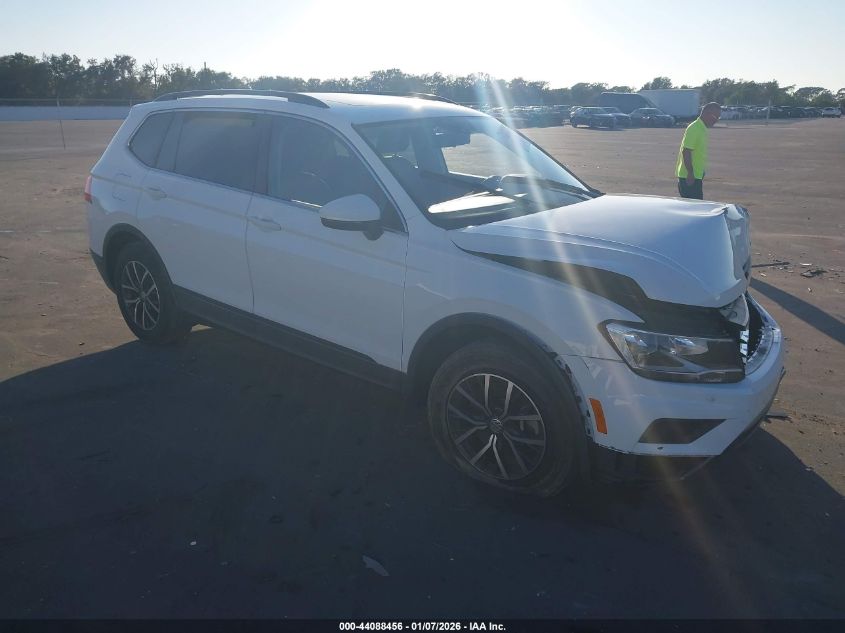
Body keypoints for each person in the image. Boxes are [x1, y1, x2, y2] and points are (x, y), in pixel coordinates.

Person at [676, 102, 721, 199]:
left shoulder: (702, 128)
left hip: (695, 175)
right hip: (689, 177)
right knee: (694, 210)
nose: (716, 120)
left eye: (718, 118)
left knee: (695, 208)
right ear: (706, 113)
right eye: (715, 117)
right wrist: (690, 173)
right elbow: (686, 151)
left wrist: (700, 171)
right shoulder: (694, 128)